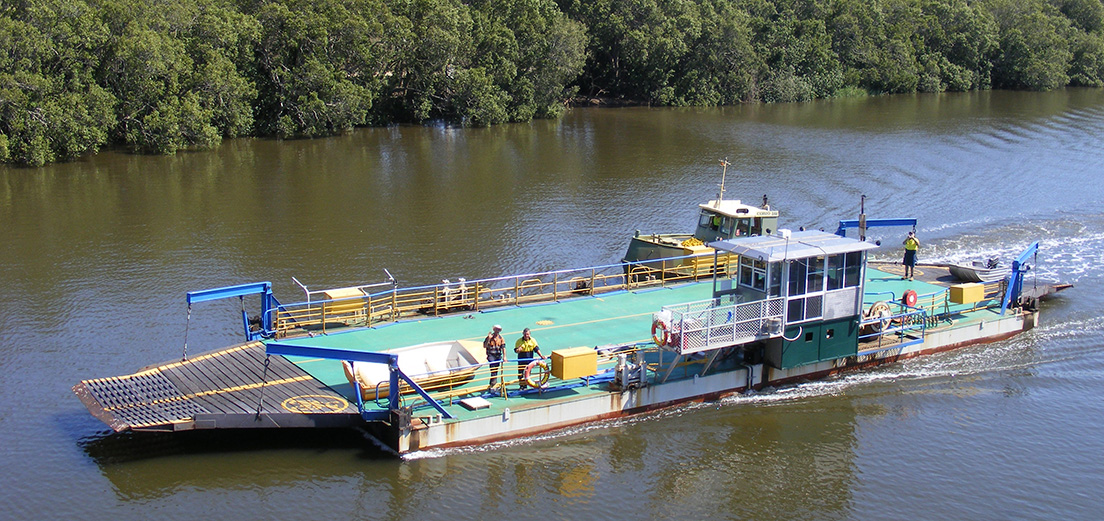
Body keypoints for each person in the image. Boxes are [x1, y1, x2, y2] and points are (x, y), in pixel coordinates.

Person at [483, 325, 506, 391]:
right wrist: (488, 338)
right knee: (493, 370)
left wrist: (504, 356)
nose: (497, 331)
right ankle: (493, 385)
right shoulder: (490, 337)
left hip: (498, 356)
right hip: (491, 355)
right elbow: (485, 346)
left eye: (498, 330)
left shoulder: (501, 338)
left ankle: (493, 385)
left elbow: (503, 347)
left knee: (495, 370)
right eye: (496, 329)